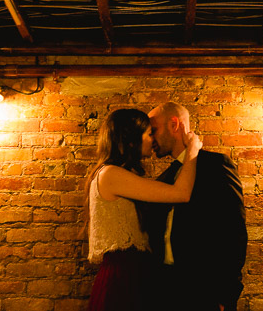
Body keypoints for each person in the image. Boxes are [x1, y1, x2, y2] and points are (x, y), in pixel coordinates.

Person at [85, 107, 202, 311]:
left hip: (132, 273)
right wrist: (192, 150)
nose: (153, 140)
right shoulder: (111, 175)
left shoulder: (118, 174)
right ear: (132, 140)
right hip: (122, 278)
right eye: (149, 134)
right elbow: (181, 193)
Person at [144, 102, 247, 311]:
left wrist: (225, 296)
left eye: (154, 130)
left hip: (206, 292)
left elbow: (234, 232)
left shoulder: (215, 166)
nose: (151, 139)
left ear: (174, 124)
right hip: (166, 289)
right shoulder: (164, 178)